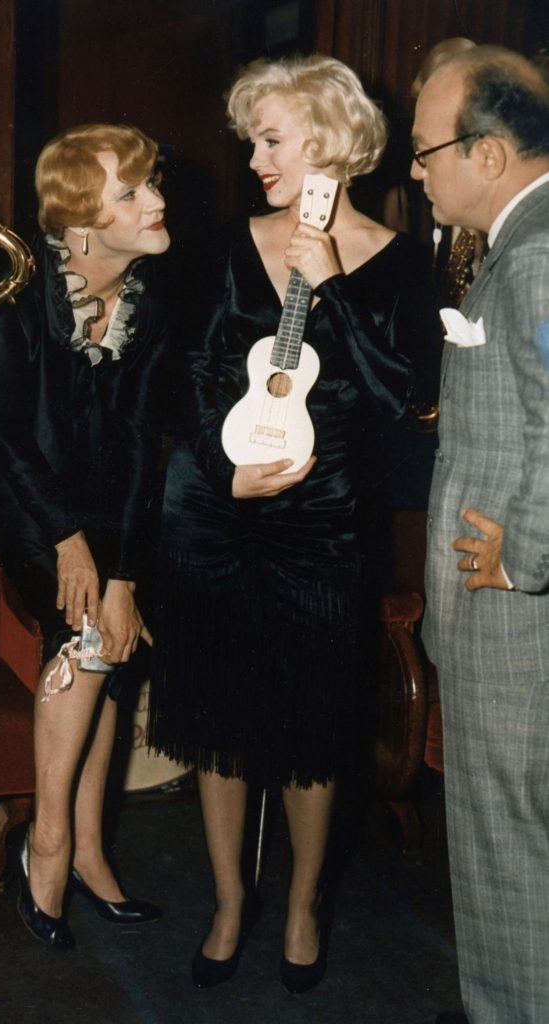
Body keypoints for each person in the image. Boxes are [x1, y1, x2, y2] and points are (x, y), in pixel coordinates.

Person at [148, 54, 436, 994]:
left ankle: (304, 904)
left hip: (324, 522)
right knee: (218, 717)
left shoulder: (401, 262)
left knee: (313, 727)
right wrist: (220, 469)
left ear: (329, 139)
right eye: (252, 143)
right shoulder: (221, 247)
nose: (255, 161)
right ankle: (230, 900)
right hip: (214, 510)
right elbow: (184, 378)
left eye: (271, 140)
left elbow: (404, 396)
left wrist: (332, 286)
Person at [0, 123, 170, 950]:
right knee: (85, 627)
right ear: (82, 223)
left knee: (112, 629)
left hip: (102, 502)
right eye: (132, 193)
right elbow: (0, 431)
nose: (157, 201)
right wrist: (67, 542)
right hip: (14, 491)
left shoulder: (150, 297)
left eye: (151, 183)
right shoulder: (16, 283)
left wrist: (123, 573)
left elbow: (142, 442)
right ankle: (49, 842)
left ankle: (89, 848)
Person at [410, 46, 549, 1024]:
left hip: (513, 623)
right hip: (503, 614)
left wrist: (525, 555)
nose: (417, 172)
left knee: (505, 848)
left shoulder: (535, 255)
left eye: (426, 152)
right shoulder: (519, 243)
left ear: (487, 154)